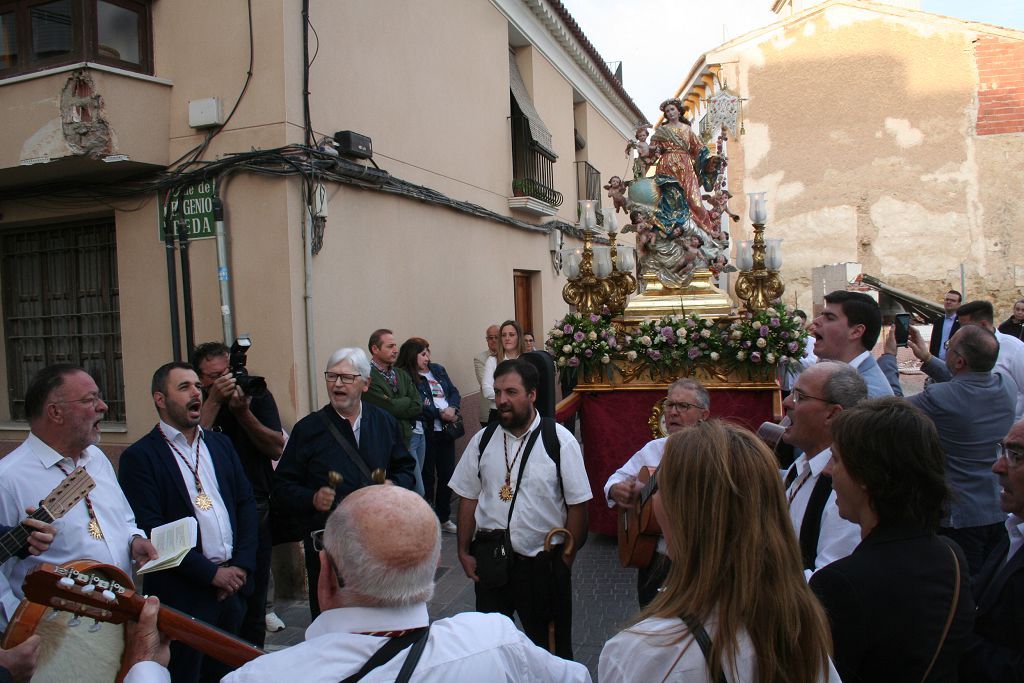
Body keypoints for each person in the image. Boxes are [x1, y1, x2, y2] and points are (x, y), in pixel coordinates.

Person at [121, 485, 591, 683]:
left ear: (325, 576)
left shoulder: (261, 678)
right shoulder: (494, 640)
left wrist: (145, 666)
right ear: (430, 575)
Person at [599, 420, 840, 682]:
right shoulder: (803, 632)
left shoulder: (638, 654)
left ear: (682, 513)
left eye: (660, 489)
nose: (652, 497)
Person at [809, 397, 974, 682]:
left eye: (836, 459)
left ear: (865, 476)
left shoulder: (841, 582)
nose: (827, 471)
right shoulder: (950, 554)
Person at [118, 362, 258, 682]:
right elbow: (153, 528)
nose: (196, 392)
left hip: (232, 591)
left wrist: (241, 568)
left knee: (230, 676)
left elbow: (245, 504)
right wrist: (212, 575)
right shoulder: (141, 457)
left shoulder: (220, 444)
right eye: (184, 387)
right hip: (184, 596)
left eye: (198, 386)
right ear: (160, 399)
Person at [451, 359, 592, 659]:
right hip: (491, 560)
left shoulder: (559, 441)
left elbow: (578, 505)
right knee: (489, 649)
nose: (502, 400)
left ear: (532, 394)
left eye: (511, 392)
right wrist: (463, 551)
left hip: (541, 565)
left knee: (551, 652)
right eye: (498, 392)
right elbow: (468, 495)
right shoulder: (483, 439)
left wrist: (565, 560)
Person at [0, 364, 157, 630]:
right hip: (57, 639)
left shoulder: (96, 458)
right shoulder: (8, 478)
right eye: (89, 399)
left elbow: (124, 519)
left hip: (118, 620)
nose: (103, 406)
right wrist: (22, 630)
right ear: (55, 412)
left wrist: (134, 539)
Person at [272, 347, 416, 618]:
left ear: (365, 383)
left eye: (346, 377)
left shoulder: (384, 422)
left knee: (379, 622)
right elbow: (281, 488)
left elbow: (406, 467)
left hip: (378, 545)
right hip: (330, 551)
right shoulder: (308, 430)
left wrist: (395, 484)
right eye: (332, 376)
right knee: (333, 626)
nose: (337, 384)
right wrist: (311, 498)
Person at [880, 325, 1015, 575]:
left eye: (948, 348)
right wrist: (928, 359)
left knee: (961, 585)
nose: (947, 353)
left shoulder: (940, 397)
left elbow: (892, 409)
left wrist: (889, 358)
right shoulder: (1004, 385)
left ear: (960, 360)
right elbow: (966, 384)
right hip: (996, 507)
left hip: (960, 516)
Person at [193, 341, 285, 649]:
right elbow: (189, 445)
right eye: (213, 376)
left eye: (227, 373)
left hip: (255, 507)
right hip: (209, 509)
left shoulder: (254, 393)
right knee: (218, 600)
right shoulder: (196, 401)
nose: (223, 381)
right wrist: (214, 401)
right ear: (200, 379)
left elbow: (275, 446)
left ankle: (250, 659)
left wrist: (244, 413)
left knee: (254, 597)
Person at [604, 378, 710, 606]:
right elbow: (616, 478)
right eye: (669, 405)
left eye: (683, 406)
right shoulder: (654, 450)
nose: (673, 412)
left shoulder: (714, 455)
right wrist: (616, 490)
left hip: (700, 558)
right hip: (656, 560)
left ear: (704, 414)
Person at [780, 361, 866, 577]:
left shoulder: (843, 490)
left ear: (832, 414)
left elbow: (829, 581)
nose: (787, 402)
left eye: (800, 397)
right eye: (791, 393)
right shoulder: (801, 466)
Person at [959, 418, 1024, 681]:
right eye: (1003, 450)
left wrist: (953, 638)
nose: (998, 467)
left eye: (1016, 456)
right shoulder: (1013, 530)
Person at [900, 300, 1024, 420]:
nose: (960, 330)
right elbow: (962, 381)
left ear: (983, 325)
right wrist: (927, 357)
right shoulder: (964, 344)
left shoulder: (1016, 349)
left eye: (965, 326)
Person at [398, 337, 462, 532]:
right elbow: (416, 405)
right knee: (426, 477)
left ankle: (443, 517)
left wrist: (452, 408)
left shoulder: (438, 370)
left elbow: (453, 391)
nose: (427, 358)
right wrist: (438, 413)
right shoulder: (407, 377)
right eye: (423, 354)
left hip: (445, 431)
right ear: (412, 355)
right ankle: (428, 518)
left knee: (447, 474)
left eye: (428, 353)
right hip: (426, 431)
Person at [809, 290, 893, 397]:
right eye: (822, 315)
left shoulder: (869, 396)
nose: (816, 321)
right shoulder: (830, 368)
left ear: (856, 332)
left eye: (830, 318)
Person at [650, 98, 715, 234]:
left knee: (694, 200)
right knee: (671, 199)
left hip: (686, 167)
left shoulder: (687, 129)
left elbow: (699, 148)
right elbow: (653, 150)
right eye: (667, 111)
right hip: (667, 166)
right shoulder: (662, 131)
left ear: (679, 111)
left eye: (672, 109)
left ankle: (706, 233)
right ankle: (672, 230)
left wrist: (710, 158)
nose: (670, 112)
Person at [364, 328, 421, 448]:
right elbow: (390, 408)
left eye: (395, 346)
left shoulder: (401, 374)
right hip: (383, 443)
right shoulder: (367, 377)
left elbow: (418, 405)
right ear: (375, 349)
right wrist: (406, 399)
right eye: (390, 346)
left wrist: (394, 404)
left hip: (408, 438)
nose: (395, 350)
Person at [480, 320, 526, 424]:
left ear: (519, 337)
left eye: (511, 335)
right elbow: (487, 391)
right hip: (498, 413)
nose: (507, 338)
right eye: (504, 335)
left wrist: (500, 394)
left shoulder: (527, 359)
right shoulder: (492, 361)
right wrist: (515, 396)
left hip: (522, 413)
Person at [474, 324, 500, 428]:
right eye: (490, 337)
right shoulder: (480, 358)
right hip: (489, 412)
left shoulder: (509, 355)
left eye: (496, 337)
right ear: (487, 340)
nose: (493, 340)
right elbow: (486, 385)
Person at [930, 290, 962, 360]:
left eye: (953, 300)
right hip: (938, 362)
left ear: (959, 304)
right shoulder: (938, 321)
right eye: (947, 299)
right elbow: (933, 343)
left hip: (955, 364)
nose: (948, 302)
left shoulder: (962, 322)